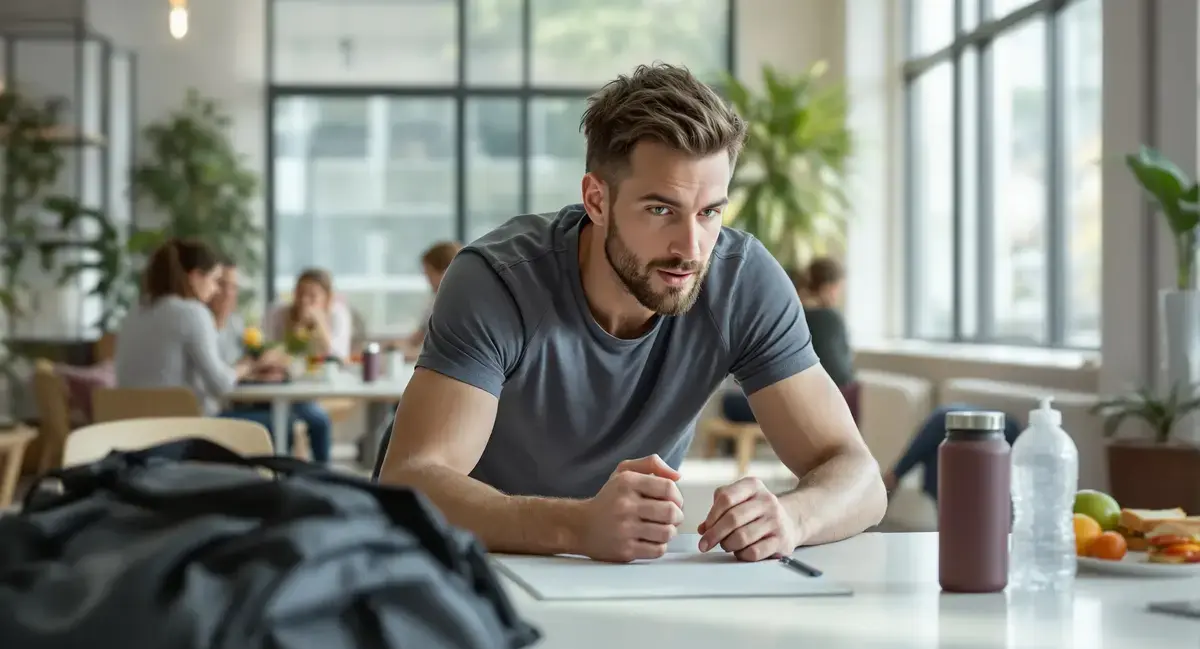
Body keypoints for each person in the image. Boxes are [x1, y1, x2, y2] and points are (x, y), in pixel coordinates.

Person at [378, 63, 885, 564]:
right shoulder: (498, 281)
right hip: (470, 561)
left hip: (621, 570)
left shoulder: (742, 282)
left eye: (710, 212)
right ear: (597, 200)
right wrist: (576, 526)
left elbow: (858, 477)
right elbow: (411, 481)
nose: (690, 248)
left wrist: (792, 518)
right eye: (660, 210)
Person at [114, 239, 285, 416]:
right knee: (278, 424)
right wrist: (249, 365)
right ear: (195, 278)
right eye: (215, 280)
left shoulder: (135, 311)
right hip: (179, 431)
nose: (216, 290)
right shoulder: (192, 312)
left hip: (130, 430)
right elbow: (221, 386)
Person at [209, 259, 335, 465]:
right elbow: (232, 371)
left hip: (287, 393)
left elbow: (334, 357)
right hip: (239, 400)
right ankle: (278, 477)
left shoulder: (234, 321)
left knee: (318, 420)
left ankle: (321, 476)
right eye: (300, 292)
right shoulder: (203, 322)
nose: (303, 300)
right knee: (284, 422)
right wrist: (253, 365)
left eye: (233, 287)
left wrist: (318, 325)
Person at [722, 256, 856, 424]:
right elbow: (842, 376)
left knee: (731, 402)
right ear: (830, 287)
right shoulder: (830, 319)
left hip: (769, 400)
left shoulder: (786, 313)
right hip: (811, 403)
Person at [883, 405, 1023, 502]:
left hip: (1010, 439)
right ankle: (894, 476)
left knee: (941, 421)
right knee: (937, 456)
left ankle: (893, 476)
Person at [266, 268, 352, 362]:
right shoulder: (279, 313)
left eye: (312, 296)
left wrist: (320, 323)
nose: (304, 300)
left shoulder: (338, 315)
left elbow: (339, 356)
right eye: (300, 293)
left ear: (327, 298)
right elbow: (269, 348)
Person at [397, 241, 462, 361]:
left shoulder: (462, 306)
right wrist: (394, 348)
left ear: (445, 271)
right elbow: (418, 337)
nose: (427, 279)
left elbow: (453, 355)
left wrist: (411, 355)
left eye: (429, 273)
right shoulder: (434, 300)